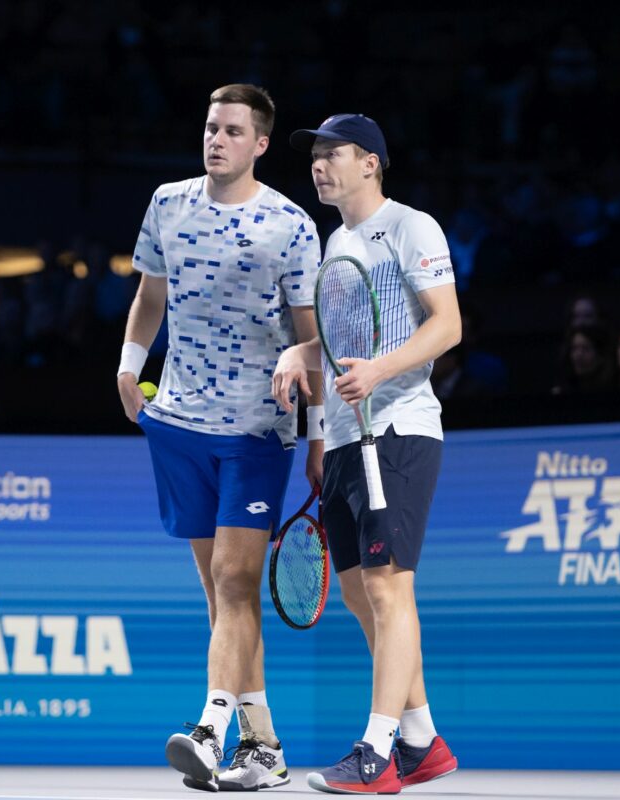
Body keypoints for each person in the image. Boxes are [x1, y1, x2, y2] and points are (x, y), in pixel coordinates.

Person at [116, 83, 323, 792]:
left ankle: (209, 731)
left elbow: (311, 338)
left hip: (256, 430)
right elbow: (150, 294)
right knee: (221, 595)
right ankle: (263, 747)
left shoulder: (292, 225)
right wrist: (129, 364)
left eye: (233, 131)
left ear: (260, 144)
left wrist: (317, 438)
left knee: (235, 581)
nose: (217, 139)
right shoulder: (167, 204)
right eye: (211, 127)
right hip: (177, 423)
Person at [273, 113, 461, 794]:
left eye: (333, 153)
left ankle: (377, 751)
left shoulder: (412, 227)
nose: (319, 165)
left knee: (388, 586)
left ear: (371, 163)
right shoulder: (337, 243)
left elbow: (447, 324)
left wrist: (380, 371)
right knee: (358, 592)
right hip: (349, 439)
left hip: (399, 428)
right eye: (315, 156)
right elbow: (338, 345)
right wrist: (302, 360)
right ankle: (421, 740)